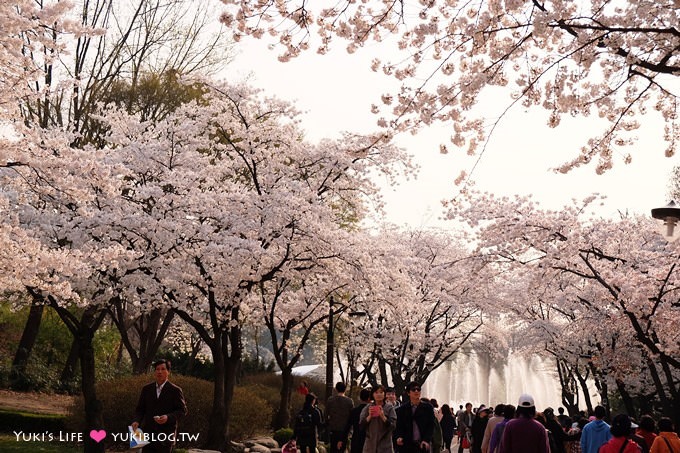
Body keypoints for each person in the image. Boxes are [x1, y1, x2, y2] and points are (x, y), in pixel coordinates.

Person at [131, 359, 188, 453]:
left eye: (163, 369)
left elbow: (182, 411)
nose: (160, 372)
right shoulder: (146, 389)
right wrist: (136, 420)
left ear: (168, 372)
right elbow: (140, 409)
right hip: (148, 434)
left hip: (166, 435)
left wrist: (168, 417)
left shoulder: (175, 390)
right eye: (157, 369)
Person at [395, 381, 435, 453]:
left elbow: (431, 425)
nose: (416, 391)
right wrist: (399, 436)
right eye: (413, 389)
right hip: (407, 445)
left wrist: (426, 440)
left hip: (422, 444)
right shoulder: (402, 409)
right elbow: (399, 425)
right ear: (408, 393)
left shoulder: (428, 407)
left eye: (418, 389)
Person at [360, 385, 397, 453]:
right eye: (376, 392)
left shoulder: (389, 408)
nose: (379, 394)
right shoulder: (367, 408)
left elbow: (393, 426)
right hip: (370, 446)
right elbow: (361, 426)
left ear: (384, 394)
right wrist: (369, 416)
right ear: (373, 394)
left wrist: (383, 416)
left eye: (381, 392)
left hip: (385, 446)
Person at [327, 382, 355, 453]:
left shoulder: (330, 400)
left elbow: (326, 414)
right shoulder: (349, 401)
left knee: (333, 449)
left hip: (333, 429)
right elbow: (352, 416)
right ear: (345, 389)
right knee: (342, 449)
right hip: (344, 429)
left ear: (336, 389)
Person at [347, 388, 372, 453]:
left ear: (360, 398)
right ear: (370, 399)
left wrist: (343, 439)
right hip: (369, 440)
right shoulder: (372, 411)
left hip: (356, 439)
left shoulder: (354, 411)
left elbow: (348, 426)